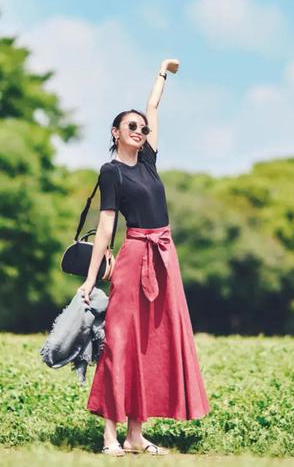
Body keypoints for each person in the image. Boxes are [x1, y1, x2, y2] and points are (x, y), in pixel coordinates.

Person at [78, 58, 211, 456]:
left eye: (142, 127)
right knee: (120, 343)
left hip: (165, 257)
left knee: (152, 346)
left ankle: (136, 436)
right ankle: (109, 436)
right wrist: (90, 280)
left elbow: (153, 107)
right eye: (130, 126)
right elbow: (106, 227)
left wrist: (161, 73)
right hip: (134, 253)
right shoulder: (111, 171)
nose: (139, 130)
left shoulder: (150, 162)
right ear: (115, 132)